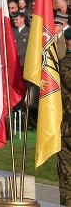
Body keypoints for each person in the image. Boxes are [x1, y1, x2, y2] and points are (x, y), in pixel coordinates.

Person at [57, 28, 71, 206]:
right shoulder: (66, 64)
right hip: (66, 127)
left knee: (67, 177)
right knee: (67, 176)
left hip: (64, 127)